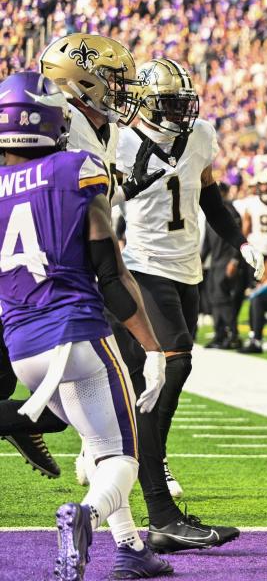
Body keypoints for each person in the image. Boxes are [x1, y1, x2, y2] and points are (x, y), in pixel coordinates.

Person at [40, 34, 241, 552]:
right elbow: (101, 242)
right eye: (114, 83)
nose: (123, 93)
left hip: (122, 277)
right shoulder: (77, 137)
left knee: (118, 408)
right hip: (90, 283)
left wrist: (240, 241)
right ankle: (146, 514)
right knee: (142, 390)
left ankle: (134, 545)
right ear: (82, 84)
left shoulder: (100, 131)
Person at [0, 72, 172, 579]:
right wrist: (153, 348)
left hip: (22, 347)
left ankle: (131, 549)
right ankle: (85, 518)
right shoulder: (76, 169)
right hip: (76, 334)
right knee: (122, 457)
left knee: (98, 446)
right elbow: (112, 277)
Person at [115, 57, 264, 507]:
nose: (182, 113)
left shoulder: (200, 134)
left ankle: (130, 449)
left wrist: (237, 240)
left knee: (161, 370)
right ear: (145, 104)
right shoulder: (120, 143)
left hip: (187, 266)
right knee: (174, 362)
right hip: (144, 262)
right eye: (170, 104)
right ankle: (150, 458)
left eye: (184, 102)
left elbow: (210, 195)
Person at [202, 183, 245, 350]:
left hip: (226, 260)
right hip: (215, 261)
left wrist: (234, 260)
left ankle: (233, 334)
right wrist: (200, 259)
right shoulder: (211, 212)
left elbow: (238, 237)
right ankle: (219, 334)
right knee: (214, 298)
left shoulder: (230, 212)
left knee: (223, 299)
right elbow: (207, 242)